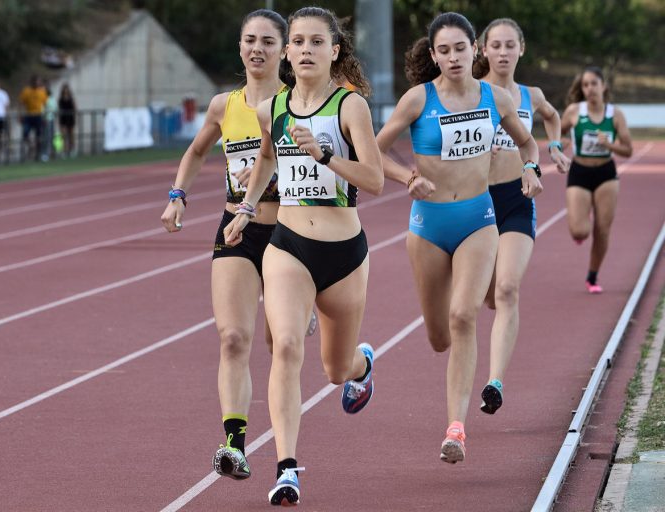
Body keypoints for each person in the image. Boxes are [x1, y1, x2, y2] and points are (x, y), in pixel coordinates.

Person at [223, 7, 383, 505]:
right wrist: (247, 209)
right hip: (288, 246)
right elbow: (267, 155)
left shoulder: (349, 106)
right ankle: (287, 468)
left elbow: (375, 181)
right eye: (298, 42)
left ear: (335, 51)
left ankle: (361, 367)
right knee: (286, 346)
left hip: (344, 255)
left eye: (318, 42)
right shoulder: (274, 107)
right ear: (287, 52)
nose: (307, 50)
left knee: (334, 368)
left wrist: (326, 157)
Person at [160, 9, 317, 486]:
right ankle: (234, 442)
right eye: (250, 40)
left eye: (269, 42)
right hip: (236, 227)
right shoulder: (223, 105)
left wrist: (272, 170)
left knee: (279, 346)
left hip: (289, 230)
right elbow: (197, 151)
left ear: (285, 50)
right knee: (233, 338)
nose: (257, 49)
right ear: (240, 47)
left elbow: (321, 167)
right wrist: (177, 196)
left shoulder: (300, 103)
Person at [375, 12, 540, 464]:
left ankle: (456, 429)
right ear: (433, 55)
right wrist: (406, 176)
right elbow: (374, 148)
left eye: (460, 48)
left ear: (476, 50)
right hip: (428, 227)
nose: (452, 57)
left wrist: (531, 168)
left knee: (464, 316)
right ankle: (416, 354)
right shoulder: (417, 100)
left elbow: (527, 143)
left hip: (479, 219)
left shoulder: (497, 98)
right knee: (439, 336)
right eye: (443, 50)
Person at [473, 18, 571, 415]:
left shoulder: (531, 94)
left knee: (508, 289)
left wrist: (556, 147)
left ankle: (494, 382)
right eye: (495, 45)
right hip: (476, 204)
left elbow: (551, 116)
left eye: (509, 45)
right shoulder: (474, 95)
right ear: (483, 50)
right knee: (488, 296)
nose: (502, 52)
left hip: (516, 199)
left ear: (521, 49)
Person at [560, 66, 633, 293]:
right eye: (585, 85)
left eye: (594, 84)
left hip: (606, 174)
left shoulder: (615, 115)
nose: (590, 89)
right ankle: (581, 225)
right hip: (580, 171)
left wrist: (608, 144)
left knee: (602, 229)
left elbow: (628, 150)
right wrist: (561, 144)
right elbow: (557, 133)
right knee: (580, 231)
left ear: (603, 87)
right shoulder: (574, 111)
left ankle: (592, 277)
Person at [19, 75, 47, 161]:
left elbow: (45, 105)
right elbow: (21, 104)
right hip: (29, 115)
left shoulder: (42, 91)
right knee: (25, 134)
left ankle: (38, 154)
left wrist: (45, 117)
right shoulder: (26, 91)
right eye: (35, 81)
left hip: (38, 115)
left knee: (39, 136)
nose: (37, 83)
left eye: (38, 81)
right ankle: (32, 146)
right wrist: (20, 115)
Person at [58, 83, 77, 157]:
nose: (65, 91)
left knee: (71, 135)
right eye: (64, 89)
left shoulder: (71, 99)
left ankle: (72, 150)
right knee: (63, 135)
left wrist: (74, 117)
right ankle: (63, 150)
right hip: (63, 118)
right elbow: (59, 109)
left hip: (70, 118)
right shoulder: (60, 99)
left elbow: (75, 108)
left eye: (67, 89)